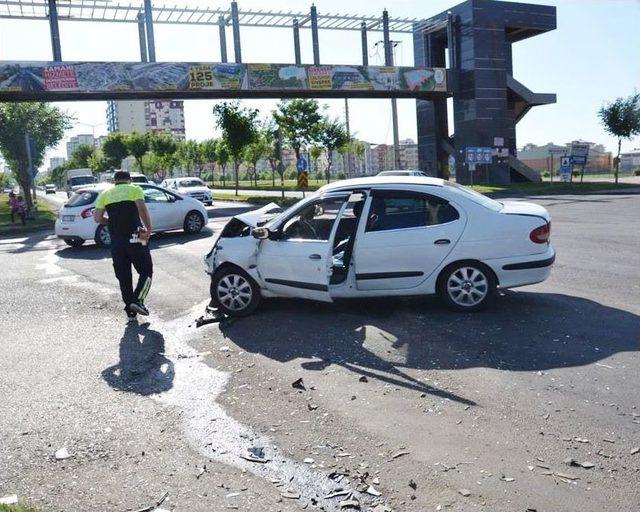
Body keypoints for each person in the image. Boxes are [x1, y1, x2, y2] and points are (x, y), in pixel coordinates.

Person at [93, 170, 153, 320]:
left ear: (114, 181)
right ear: (129, 180)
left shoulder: (105, 194)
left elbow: (97, 218)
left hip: (117, 242)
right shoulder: (134, 189)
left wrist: (112, 221)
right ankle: (137, 300)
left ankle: (130, 311)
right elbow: (142, 209)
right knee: (146, 270)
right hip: (136, 237)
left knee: (123, 276)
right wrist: (149, 229)